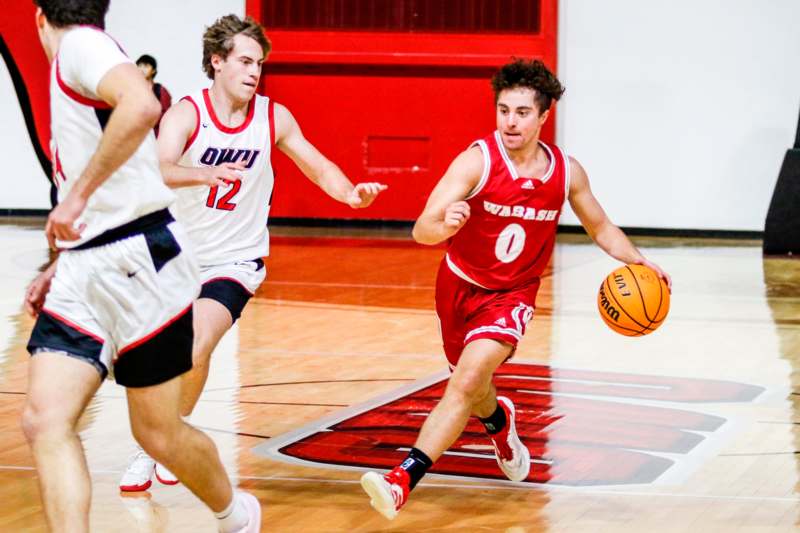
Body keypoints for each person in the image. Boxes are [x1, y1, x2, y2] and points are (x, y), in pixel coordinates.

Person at [360, 58, 671, 520]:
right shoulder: (476, 161)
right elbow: (420, 230)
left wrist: (638, 259)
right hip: (458, 286)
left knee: (465, 380)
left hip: (512, 296)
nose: (510, 121)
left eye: (522, 112)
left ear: (544, 117)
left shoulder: (567, 173)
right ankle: (500, 424)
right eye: (504, 110)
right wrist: (443, 225)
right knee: (472, 387)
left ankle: (402, 478)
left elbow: (600, 225)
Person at [118, 13, 387, 491]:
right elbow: (157, 169)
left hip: (234, 261)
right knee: (158, 357)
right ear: (217, 62)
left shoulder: (272, 117)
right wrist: (202, 174)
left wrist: (349, 194)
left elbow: (317, 164)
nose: (253, 71)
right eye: (244, 61)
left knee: (197, 344)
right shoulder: (187, 113)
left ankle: (157, 446)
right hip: (175, 254)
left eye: (259, 63)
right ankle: (164, 437)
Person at [23, 2, 260, 531]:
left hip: (139, 258)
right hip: (89, 264)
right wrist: (61, 261)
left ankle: (235, 515)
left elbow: (141, 106)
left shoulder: (80, 45)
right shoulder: (84, 58)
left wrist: (76, 197)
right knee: (45, 419)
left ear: (39, 18)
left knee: (158, 434)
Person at [135, 54, 171, 135]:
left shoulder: (160, 90)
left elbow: (165, 116)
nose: (142, 69)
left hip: (154, 136)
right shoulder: (132, 89)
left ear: (153, 70)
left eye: (146, 66)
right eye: (139, 65)